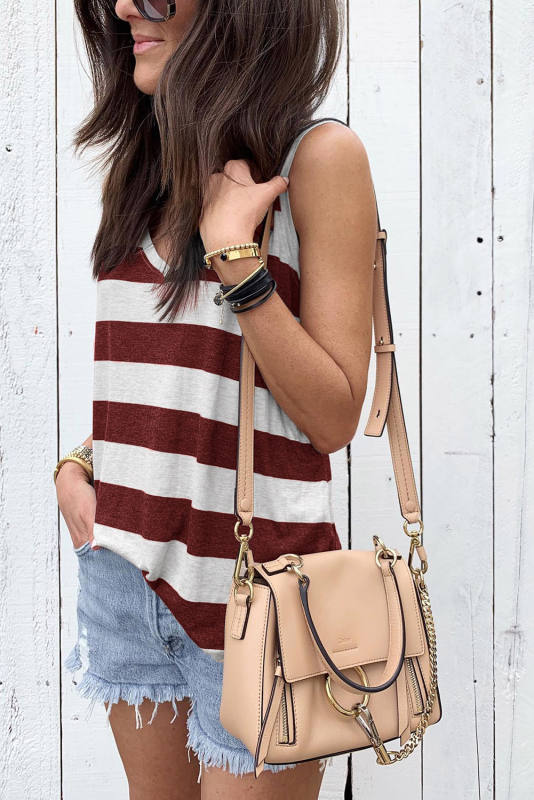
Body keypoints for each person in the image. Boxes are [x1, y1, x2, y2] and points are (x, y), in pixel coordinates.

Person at [55, 0, 377, 797]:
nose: (128, 5)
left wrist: (237, 258)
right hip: (125, 578)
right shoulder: (144, 162)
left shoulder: (318, 158)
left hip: (260, 596)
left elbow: (334, 416)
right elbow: (166, 375)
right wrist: (78, 465)